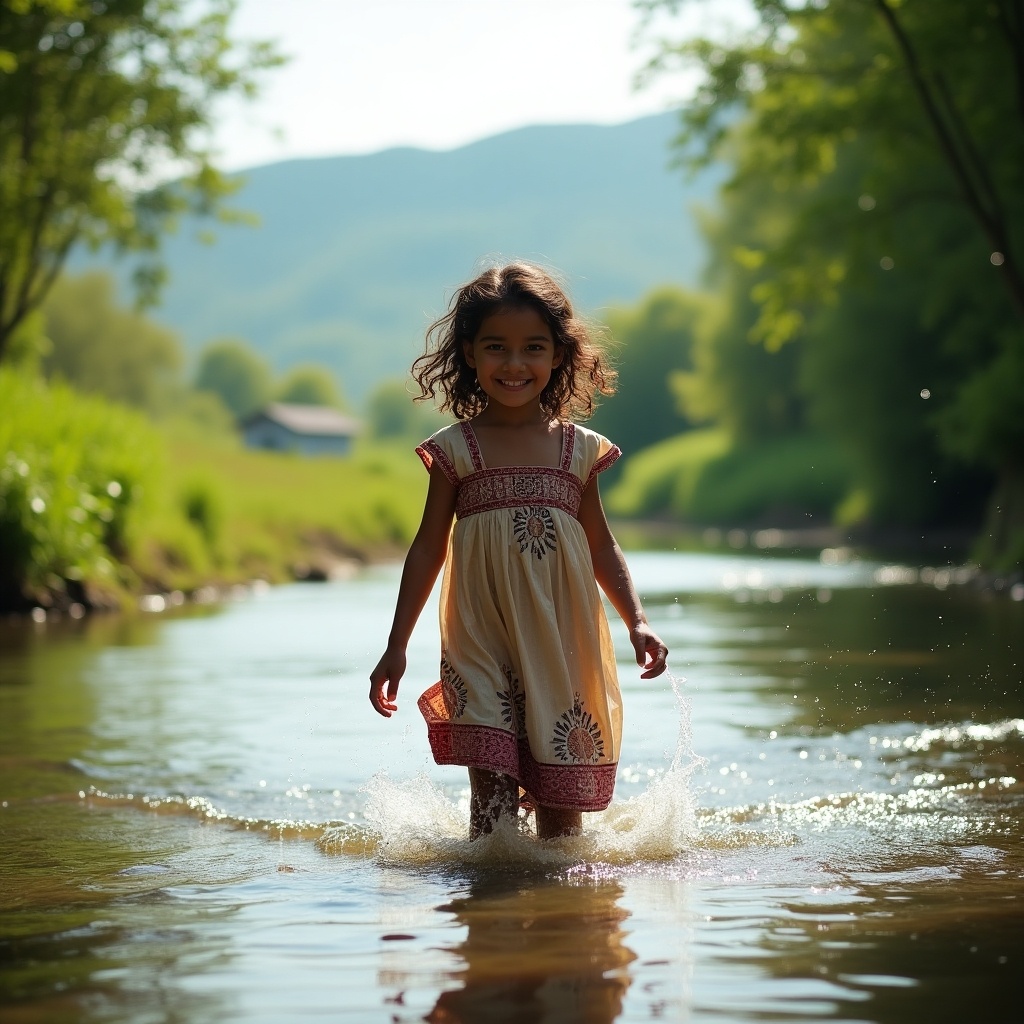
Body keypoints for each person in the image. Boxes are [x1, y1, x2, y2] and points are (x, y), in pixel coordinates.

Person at [369, 263, 668, 840]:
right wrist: (396, 645)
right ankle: (491, 912)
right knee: (492, 805)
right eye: (496, 348)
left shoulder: (579, 450)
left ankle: (565, 919)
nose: (514, 364)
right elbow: (428, 545)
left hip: (562, 639)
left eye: (533, 347)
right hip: (480, 638)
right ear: (469, 354)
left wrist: (639, 621)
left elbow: (601, 542)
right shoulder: (455, 451)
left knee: (562, 822)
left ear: (558, 355)